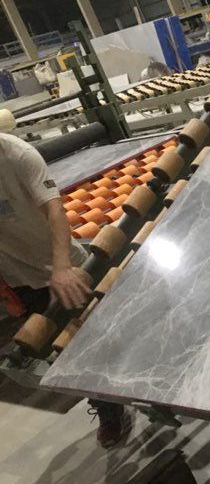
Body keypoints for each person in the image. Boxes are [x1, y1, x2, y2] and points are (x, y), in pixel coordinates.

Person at [0, 111, 131, 448]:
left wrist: (60, 267)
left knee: (103, 330)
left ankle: (140, 379)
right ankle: (109, 408)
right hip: (20, 277)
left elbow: (55, 210)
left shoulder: (18, 155)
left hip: (64, 265)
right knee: (69, 348)